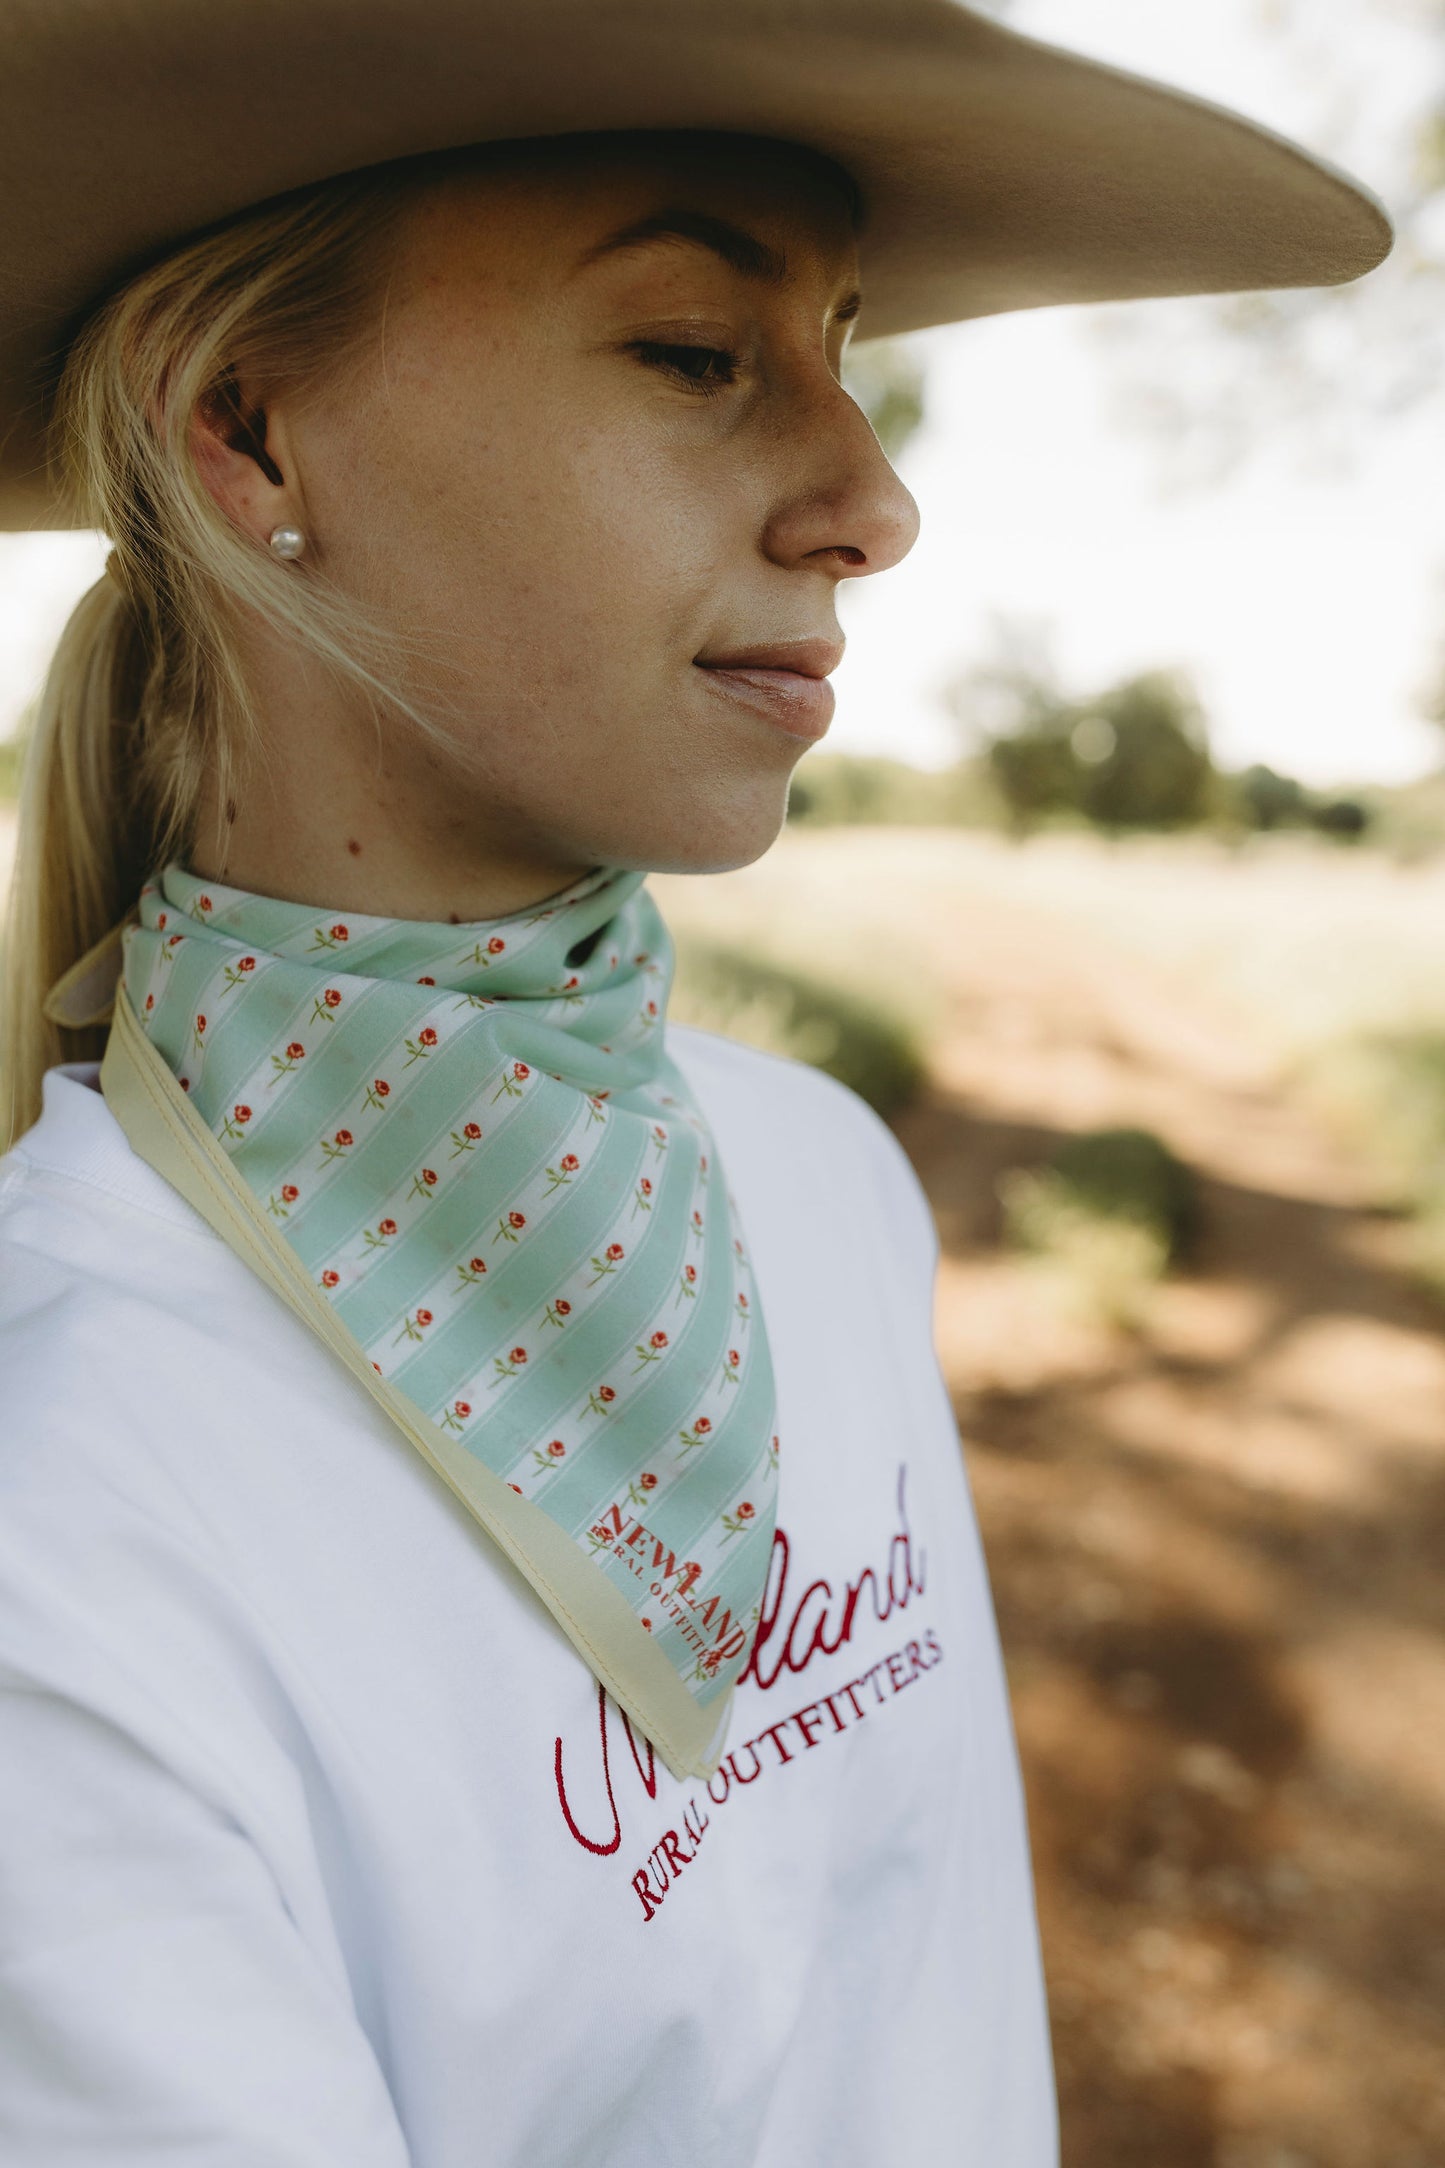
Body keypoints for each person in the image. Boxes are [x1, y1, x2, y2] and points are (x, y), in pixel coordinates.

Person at [0, 5, 1391, 2163]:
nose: (874, 499)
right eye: (693, 353)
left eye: (838, 344)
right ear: (253, 436)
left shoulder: (826, 1184)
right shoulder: (62, 1516)